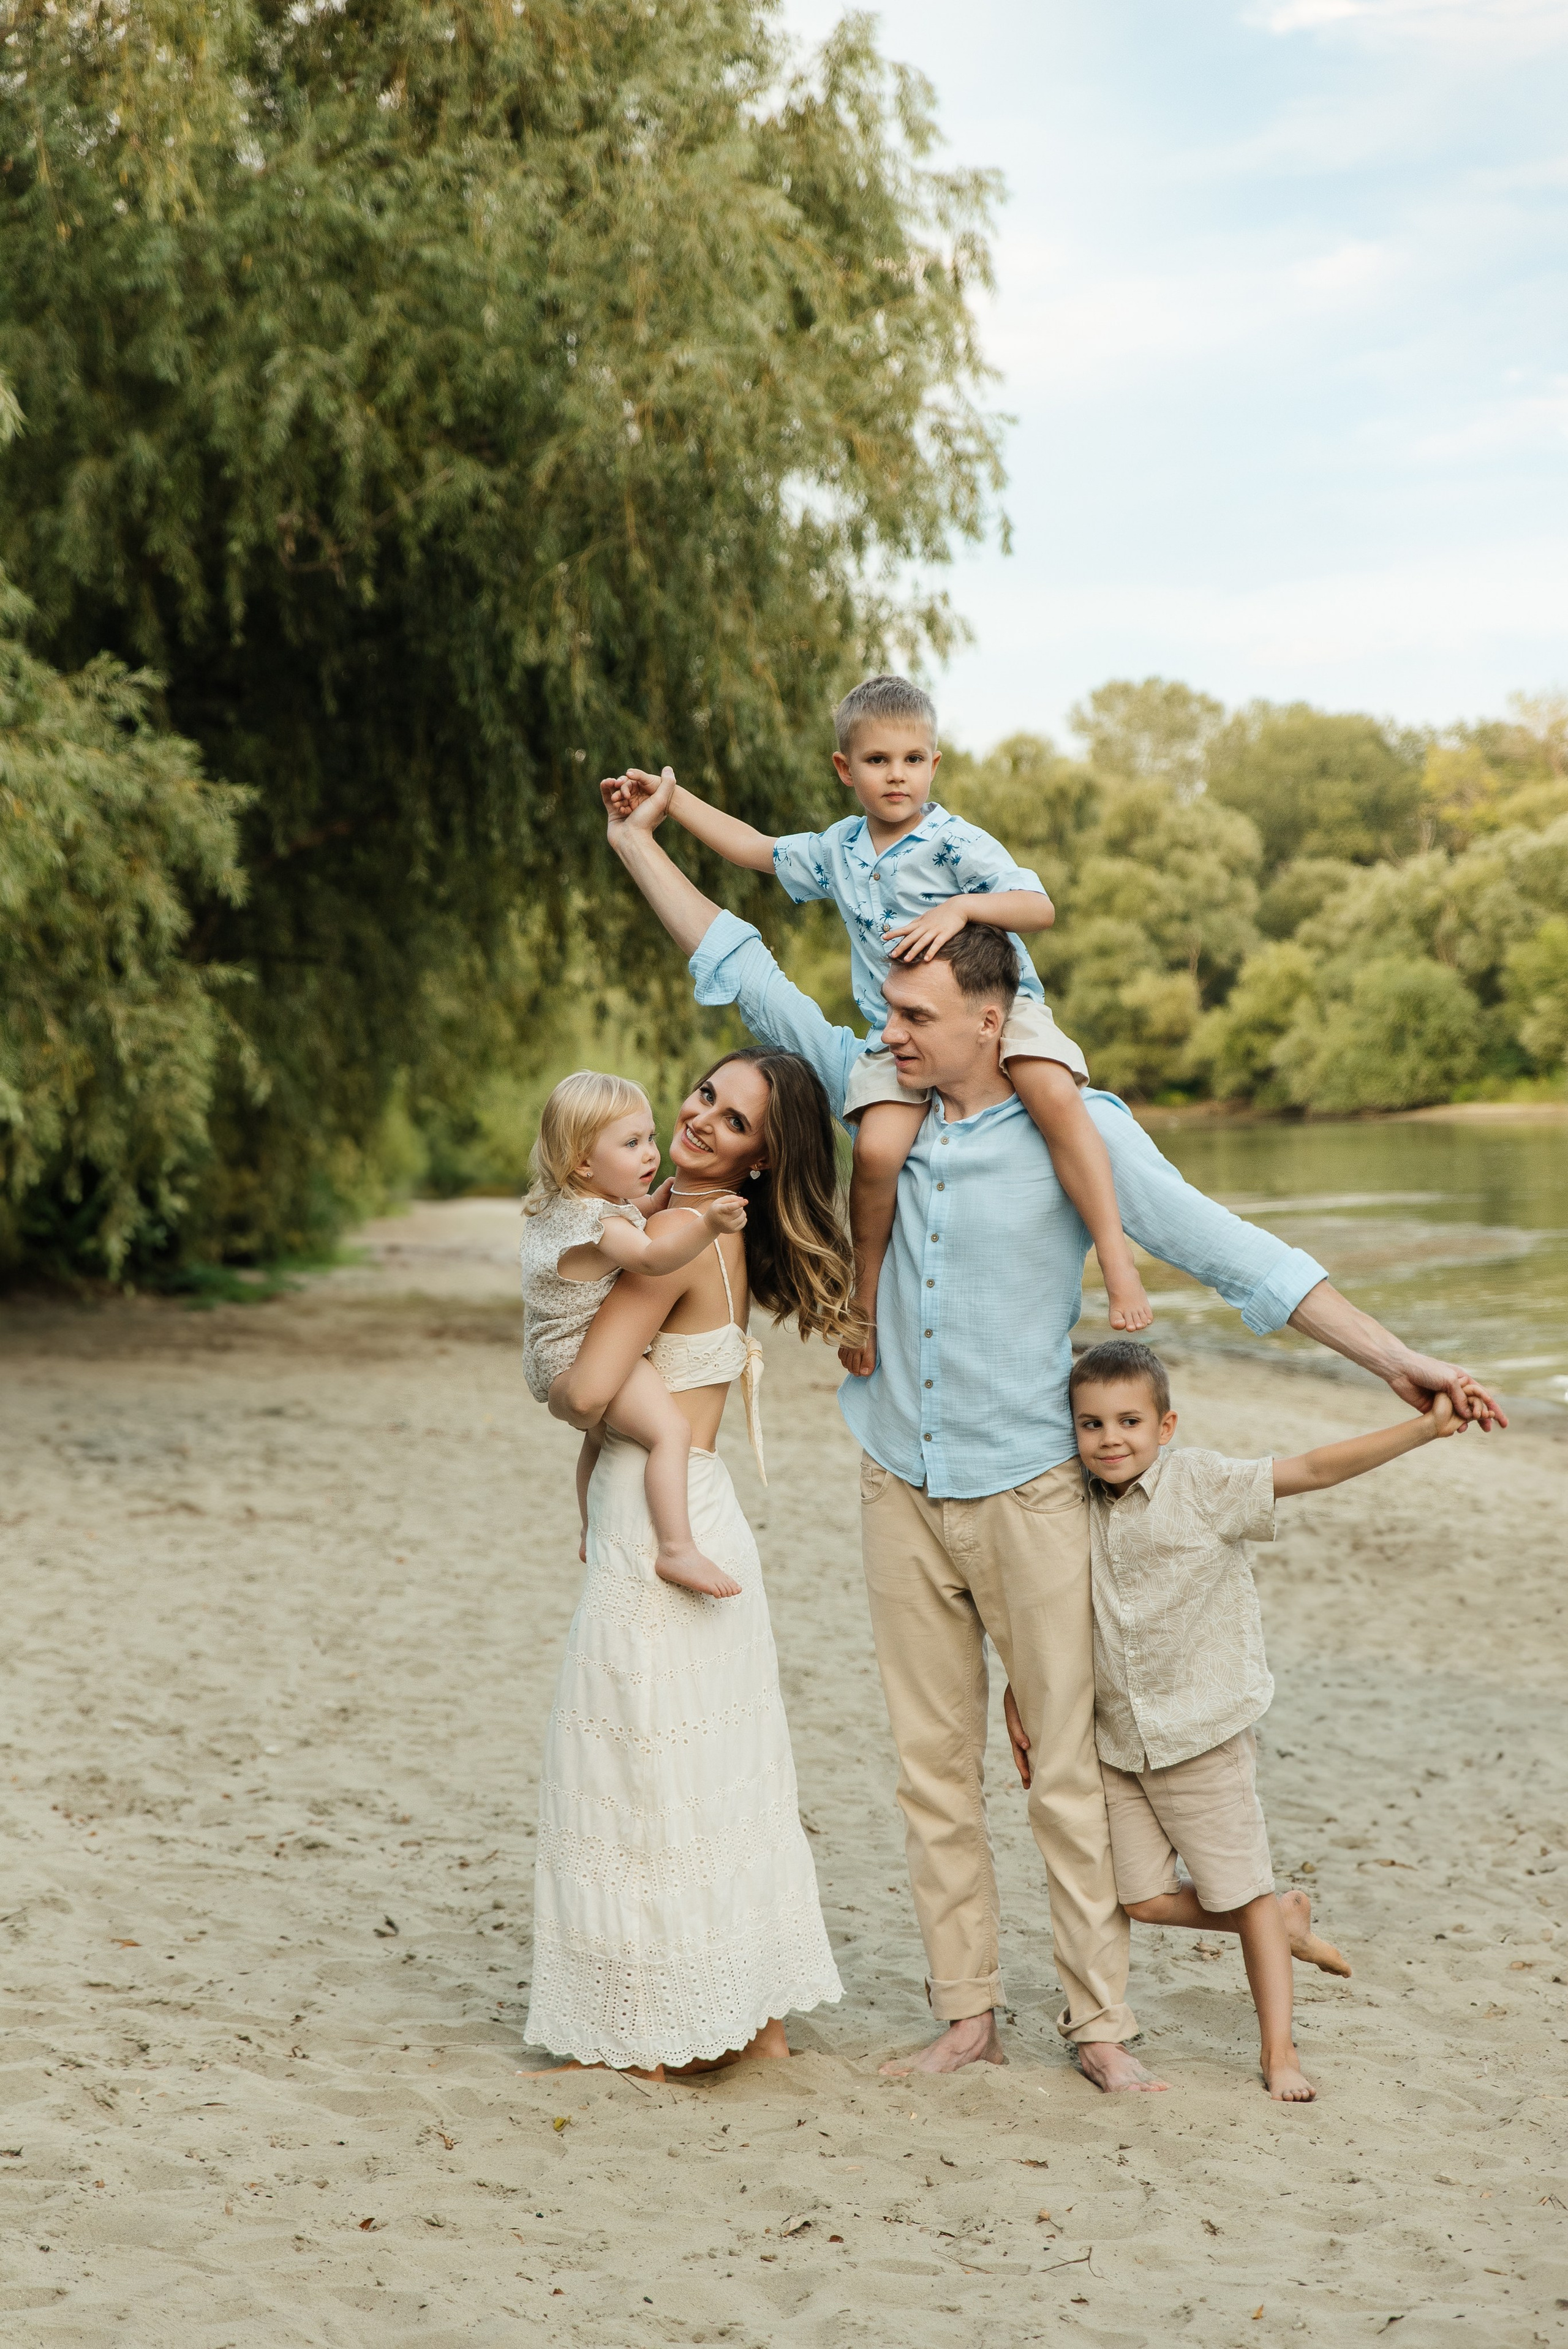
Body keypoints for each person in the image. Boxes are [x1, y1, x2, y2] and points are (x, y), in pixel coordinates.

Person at [597, 767, 1504, 2093]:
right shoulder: (864, 1090)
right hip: (896, 1482)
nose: (890, 1029)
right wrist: (639, 842)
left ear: (992, 1016)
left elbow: (1235, 1253)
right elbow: (738, 965)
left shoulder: (1084, 1137)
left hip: (1029, 1493)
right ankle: (966, 2014)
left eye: (915, 1014)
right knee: (931, 1775)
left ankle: (1100, 2028)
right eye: (886, 1009)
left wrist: (1397, 1361)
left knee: (1063, 1773)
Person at [630, 671, 1151, 1365]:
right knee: (876, 1151)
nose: (897, 775)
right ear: (846, 769)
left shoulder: (955, 843)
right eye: (877, 760)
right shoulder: (838, 850)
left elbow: (1038, 907)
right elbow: (755, 847)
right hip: (896, 1034)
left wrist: (963, 908)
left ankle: (1114, 1257)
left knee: (1054, 1095)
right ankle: (866, 1300)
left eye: (912, 759)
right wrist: (671, 801)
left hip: (1002, 1009)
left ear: (934, 763)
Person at [1002, 1338, 1469, 2102]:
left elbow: (1312, 1468)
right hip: (1115, 1742)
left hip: (1201, 1737)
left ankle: (1279, 2049)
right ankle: (1282, 1922)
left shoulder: (1202, 1483)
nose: (1110, 1439)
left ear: (1166, 1424)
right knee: (1140, 1899)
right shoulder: (1069, 1503)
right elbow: (1047, 1610)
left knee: (1241, 1892)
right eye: (1091, 1424)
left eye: (1128, 1421)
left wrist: (1423, 1428)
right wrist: (1017, 1688)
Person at [522, 1047, 861, 2078]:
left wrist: (556, 1383)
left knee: (638, 1766)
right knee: (719, 1772)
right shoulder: (711, 1229)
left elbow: (588, 1391)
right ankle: (754, 2019)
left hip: (656, 1513)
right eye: (708, 1093)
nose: (704, 1116)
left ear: (762, 1158)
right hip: (705, 1503)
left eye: (736, 1119)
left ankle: (650, 2034)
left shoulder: (667, 1247)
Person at [521, 1069, 750, 1597]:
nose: (651, 1153)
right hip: (579, 1352)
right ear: (583, 1161)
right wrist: (705, 1224)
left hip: (550, 1353)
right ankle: (677, 1548)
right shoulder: (604, 1227)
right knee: (671, 1433)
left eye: (650, 1137)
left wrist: (652, 1204)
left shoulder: (567, 1206)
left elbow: (624, 1221)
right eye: (631, 1144)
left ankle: (589, 1526)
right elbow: (648, 1257)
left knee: (596, 1438)